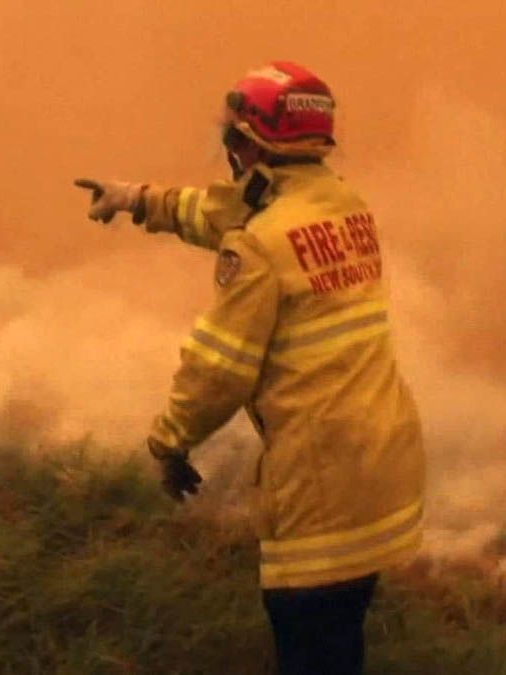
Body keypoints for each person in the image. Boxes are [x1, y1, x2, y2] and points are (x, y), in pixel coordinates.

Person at [75, 61, 425, 674]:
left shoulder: (260, 245)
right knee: (343, 637)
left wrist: (169, 443)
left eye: (232, 137)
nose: (228, 150)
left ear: (252, 145)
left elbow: (219, 369)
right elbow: (228, 213)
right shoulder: (345, 205)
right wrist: (140, 200)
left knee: (309, 645)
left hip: (320, 485)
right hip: (382, 464)